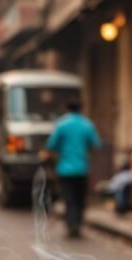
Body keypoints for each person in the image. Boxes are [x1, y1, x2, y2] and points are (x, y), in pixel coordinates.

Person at [41, 99, 101, 238]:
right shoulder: (87, 124)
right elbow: (96, 143)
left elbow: (51, 145)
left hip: (65, 169)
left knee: (69, 198)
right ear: (81, 109)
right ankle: (78, 223)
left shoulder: (62, 124)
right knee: (80, 198)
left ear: (67, 108)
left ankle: (71, 223)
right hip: (82, 168)